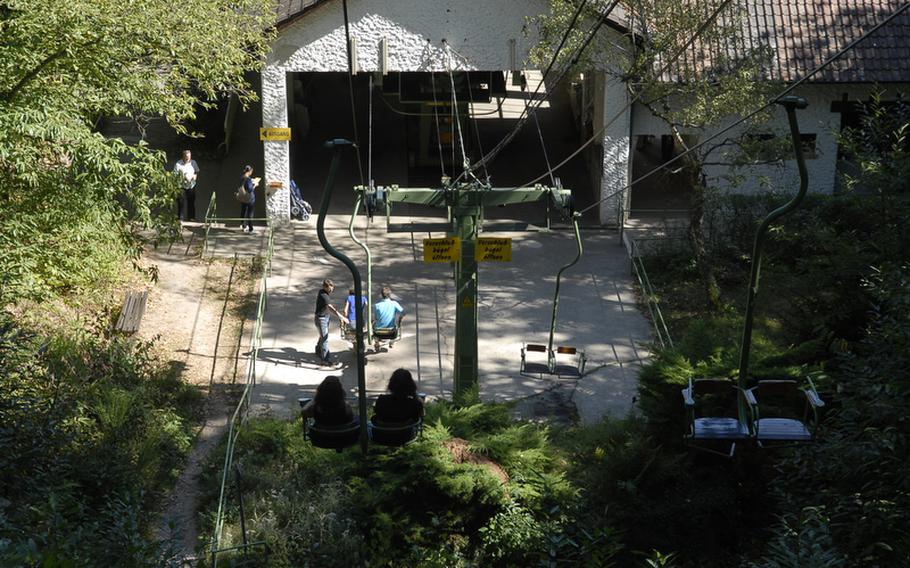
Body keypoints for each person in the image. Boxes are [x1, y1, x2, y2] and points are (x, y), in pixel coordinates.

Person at [314, 279, 348, 365]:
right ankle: (325, 360)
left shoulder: (322, 292)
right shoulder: (323, 295)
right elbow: (330, 308)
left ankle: (318, 350)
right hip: (321, 319)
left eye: (332, 289)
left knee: (323, 335)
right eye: (329, 289)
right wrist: (341, 317)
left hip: (325, 317)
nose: (331, 290)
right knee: (324, 339)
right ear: (324, 287)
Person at [373, 285, 404, 350]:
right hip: (391, 332)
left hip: (378, 332)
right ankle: (391, 342)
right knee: (396, 326)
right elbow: (403, 312)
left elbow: (375, 318)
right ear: (390, 295)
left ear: (382, 295)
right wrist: (400, 319)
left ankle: (377, 342)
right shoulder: (394, 303)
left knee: (373, 324)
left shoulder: (377, 305)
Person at [173, 150, 200, 222]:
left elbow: (196, 171)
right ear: (183, 156)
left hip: (191, 185)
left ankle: (191, 217)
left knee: (191, 201)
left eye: (189, 156)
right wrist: (184, 177)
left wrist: (194, 177)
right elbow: (175, 174)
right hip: (181, 185)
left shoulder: (193, 162)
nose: (188, 158)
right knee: (180, 202)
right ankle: (180, 217)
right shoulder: (178, 164)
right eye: (187, 156)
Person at [239, 165, 258, 233]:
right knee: (250, 213)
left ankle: (243, 226)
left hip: (243, 197)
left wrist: (251, 181)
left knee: (243, 211)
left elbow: (244, 185)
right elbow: (250, 190)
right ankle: (250, 229)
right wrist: (255, 185)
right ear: (249, 171)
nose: (251, 172)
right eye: (251, 171)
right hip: (250, 199)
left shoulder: (242, 177)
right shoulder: (248, 179)